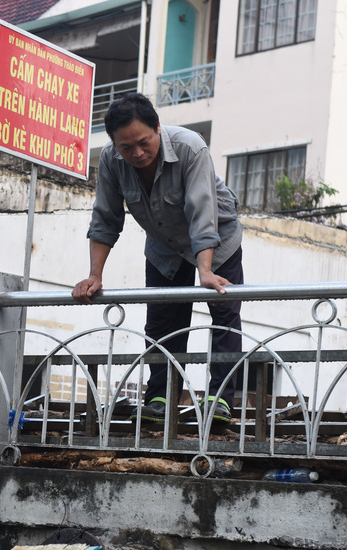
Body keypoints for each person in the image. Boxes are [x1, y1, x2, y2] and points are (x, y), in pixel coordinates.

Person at [72, 92, 243, 424]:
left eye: (143, 142)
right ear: (113, 144)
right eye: (126, 147)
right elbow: (105, 219)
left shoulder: (190, 146)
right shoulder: (110, 160)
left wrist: (205, 270)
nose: (136, 153)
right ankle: (161, 398)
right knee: (164, 320)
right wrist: (94, 275)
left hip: (217, 236)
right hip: (164, 244)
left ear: (158, 129)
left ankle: (219, 401)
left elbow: (201, 211)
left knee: (223, 313)